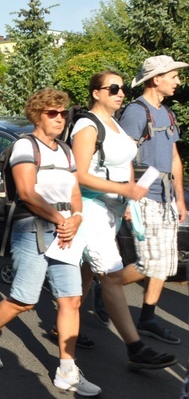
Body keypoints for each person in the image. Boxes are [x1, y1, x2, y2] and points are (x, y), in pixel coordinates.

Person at [0, 88, 101, 396]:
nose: (60, 118)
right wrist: (61, 221)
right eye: (52, 113)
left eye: (63, 113)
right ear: (37, 115)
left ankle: (67, 371)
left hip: (66, 231)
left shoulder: (67, 151)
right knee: (25, 299)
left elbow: (74, 192)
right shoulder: (24, 146)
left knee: (71, 300)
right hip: (33, 228)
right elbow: (28, 193)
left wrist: (76, 218)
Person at [70, 71, 176, 370]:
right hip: (91, 208)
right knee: (113, 274)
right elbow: (79, 174)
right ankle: (135, 347)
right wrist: (123, 189)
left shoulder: (115, 124)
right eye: (112, 88)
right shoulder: (87, 125)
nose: (120, 93)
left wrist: (130, 198)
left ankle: (66, 321)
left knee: (89, 272)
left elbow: (127, 161)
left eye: (121, 89)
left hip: (114, 210)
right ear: (96, 93)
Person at [119, 55, 187, 345]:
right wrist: (127, 199)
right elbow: (120, 156)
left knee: (166, 264)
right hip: (143, 196)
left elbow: (174, 158)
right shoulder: (136, 112)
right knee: (150, 263)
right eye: (174, 75)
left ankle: (147, 318)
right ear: (156, 78)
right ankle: (104, 284)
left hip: (167, 199)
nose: (178, 81)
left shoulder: (168, 114)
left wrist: (181, 200)